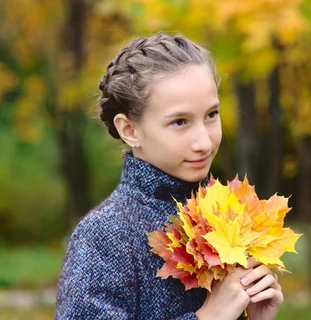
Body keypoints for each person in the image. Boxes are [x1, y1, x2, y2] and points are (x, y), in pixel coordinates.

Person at [55, 33, 283, 320]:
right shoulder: (105, 234)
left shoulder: (229, 216)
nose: (204, 141)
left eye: (211, 115)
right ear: (130, 130)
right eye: (179, 122)